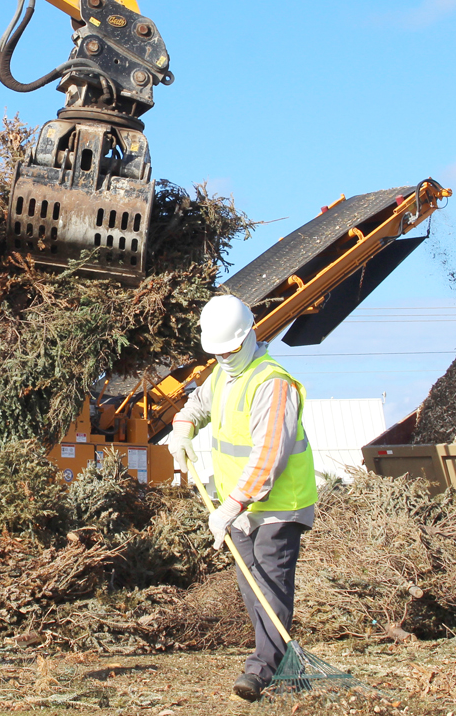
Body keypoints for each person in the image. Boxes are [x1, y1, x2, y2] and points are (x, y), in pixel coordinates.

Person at [168, 294, 317, 702]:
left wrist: (231, 505)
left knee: (269, 585)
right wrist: (182, 430)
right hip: (240, 507)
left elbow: (269, 455)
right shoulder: (222, 375)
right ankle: (288, 665)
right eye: (217, 353)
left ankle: (260, 671)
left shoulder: (271, 382)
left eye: (231, 349)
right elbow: (197, 405)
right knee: (252, 587)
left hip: (278, 506)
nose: (225, 357)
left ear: (249, 336)